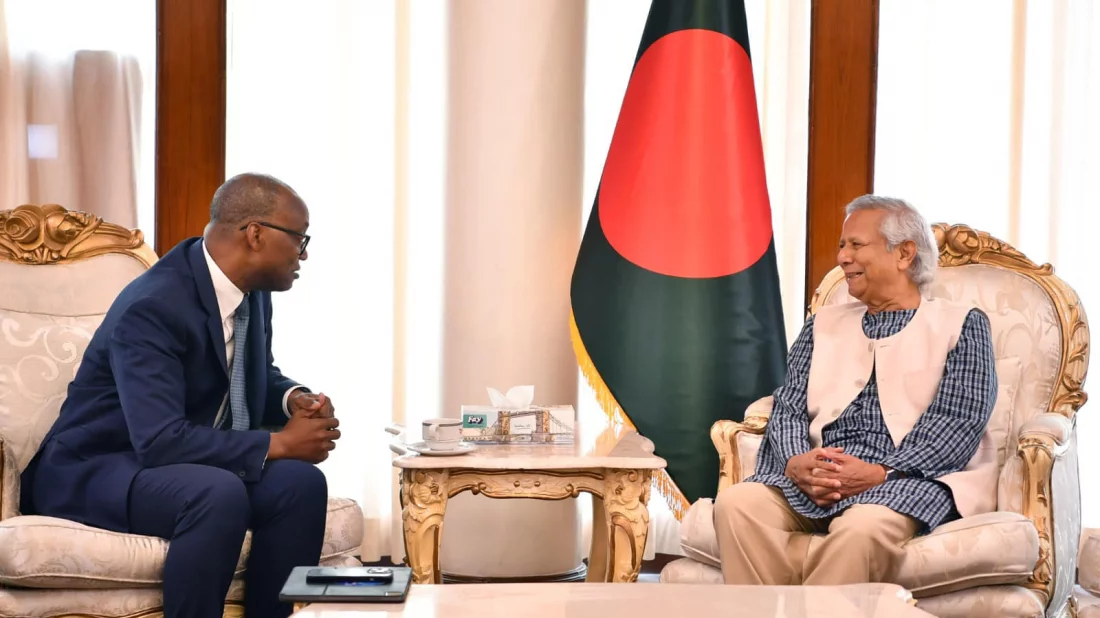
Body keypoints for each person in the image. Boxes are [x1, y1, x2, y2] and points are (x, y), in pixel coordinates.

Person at [20, 173, 341, 618]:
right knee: (217, 492)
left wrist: (294, 400)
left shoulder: (252, 293)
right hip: (99, 466)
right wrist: (280, 443)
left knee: (300, 484)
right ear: (255, 234)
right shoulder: (154, 305)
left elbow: (251, 376)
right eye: (300, 240)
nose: (304, 255)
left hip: (177, 461)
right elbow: (159, 440)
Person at [714, 195, 998, 587]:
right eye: (841, 246)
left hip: (904, 481)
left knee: (860, 530)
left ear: (904, 254)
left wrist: (881, 472)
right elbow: (789, 407)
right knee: (737, 504)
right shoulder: (823, 324)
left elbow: (956, 424)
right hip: (816, 476)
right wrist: (797, 462)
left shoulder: (961, 325)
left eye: (856, 245)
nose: (843, 258)